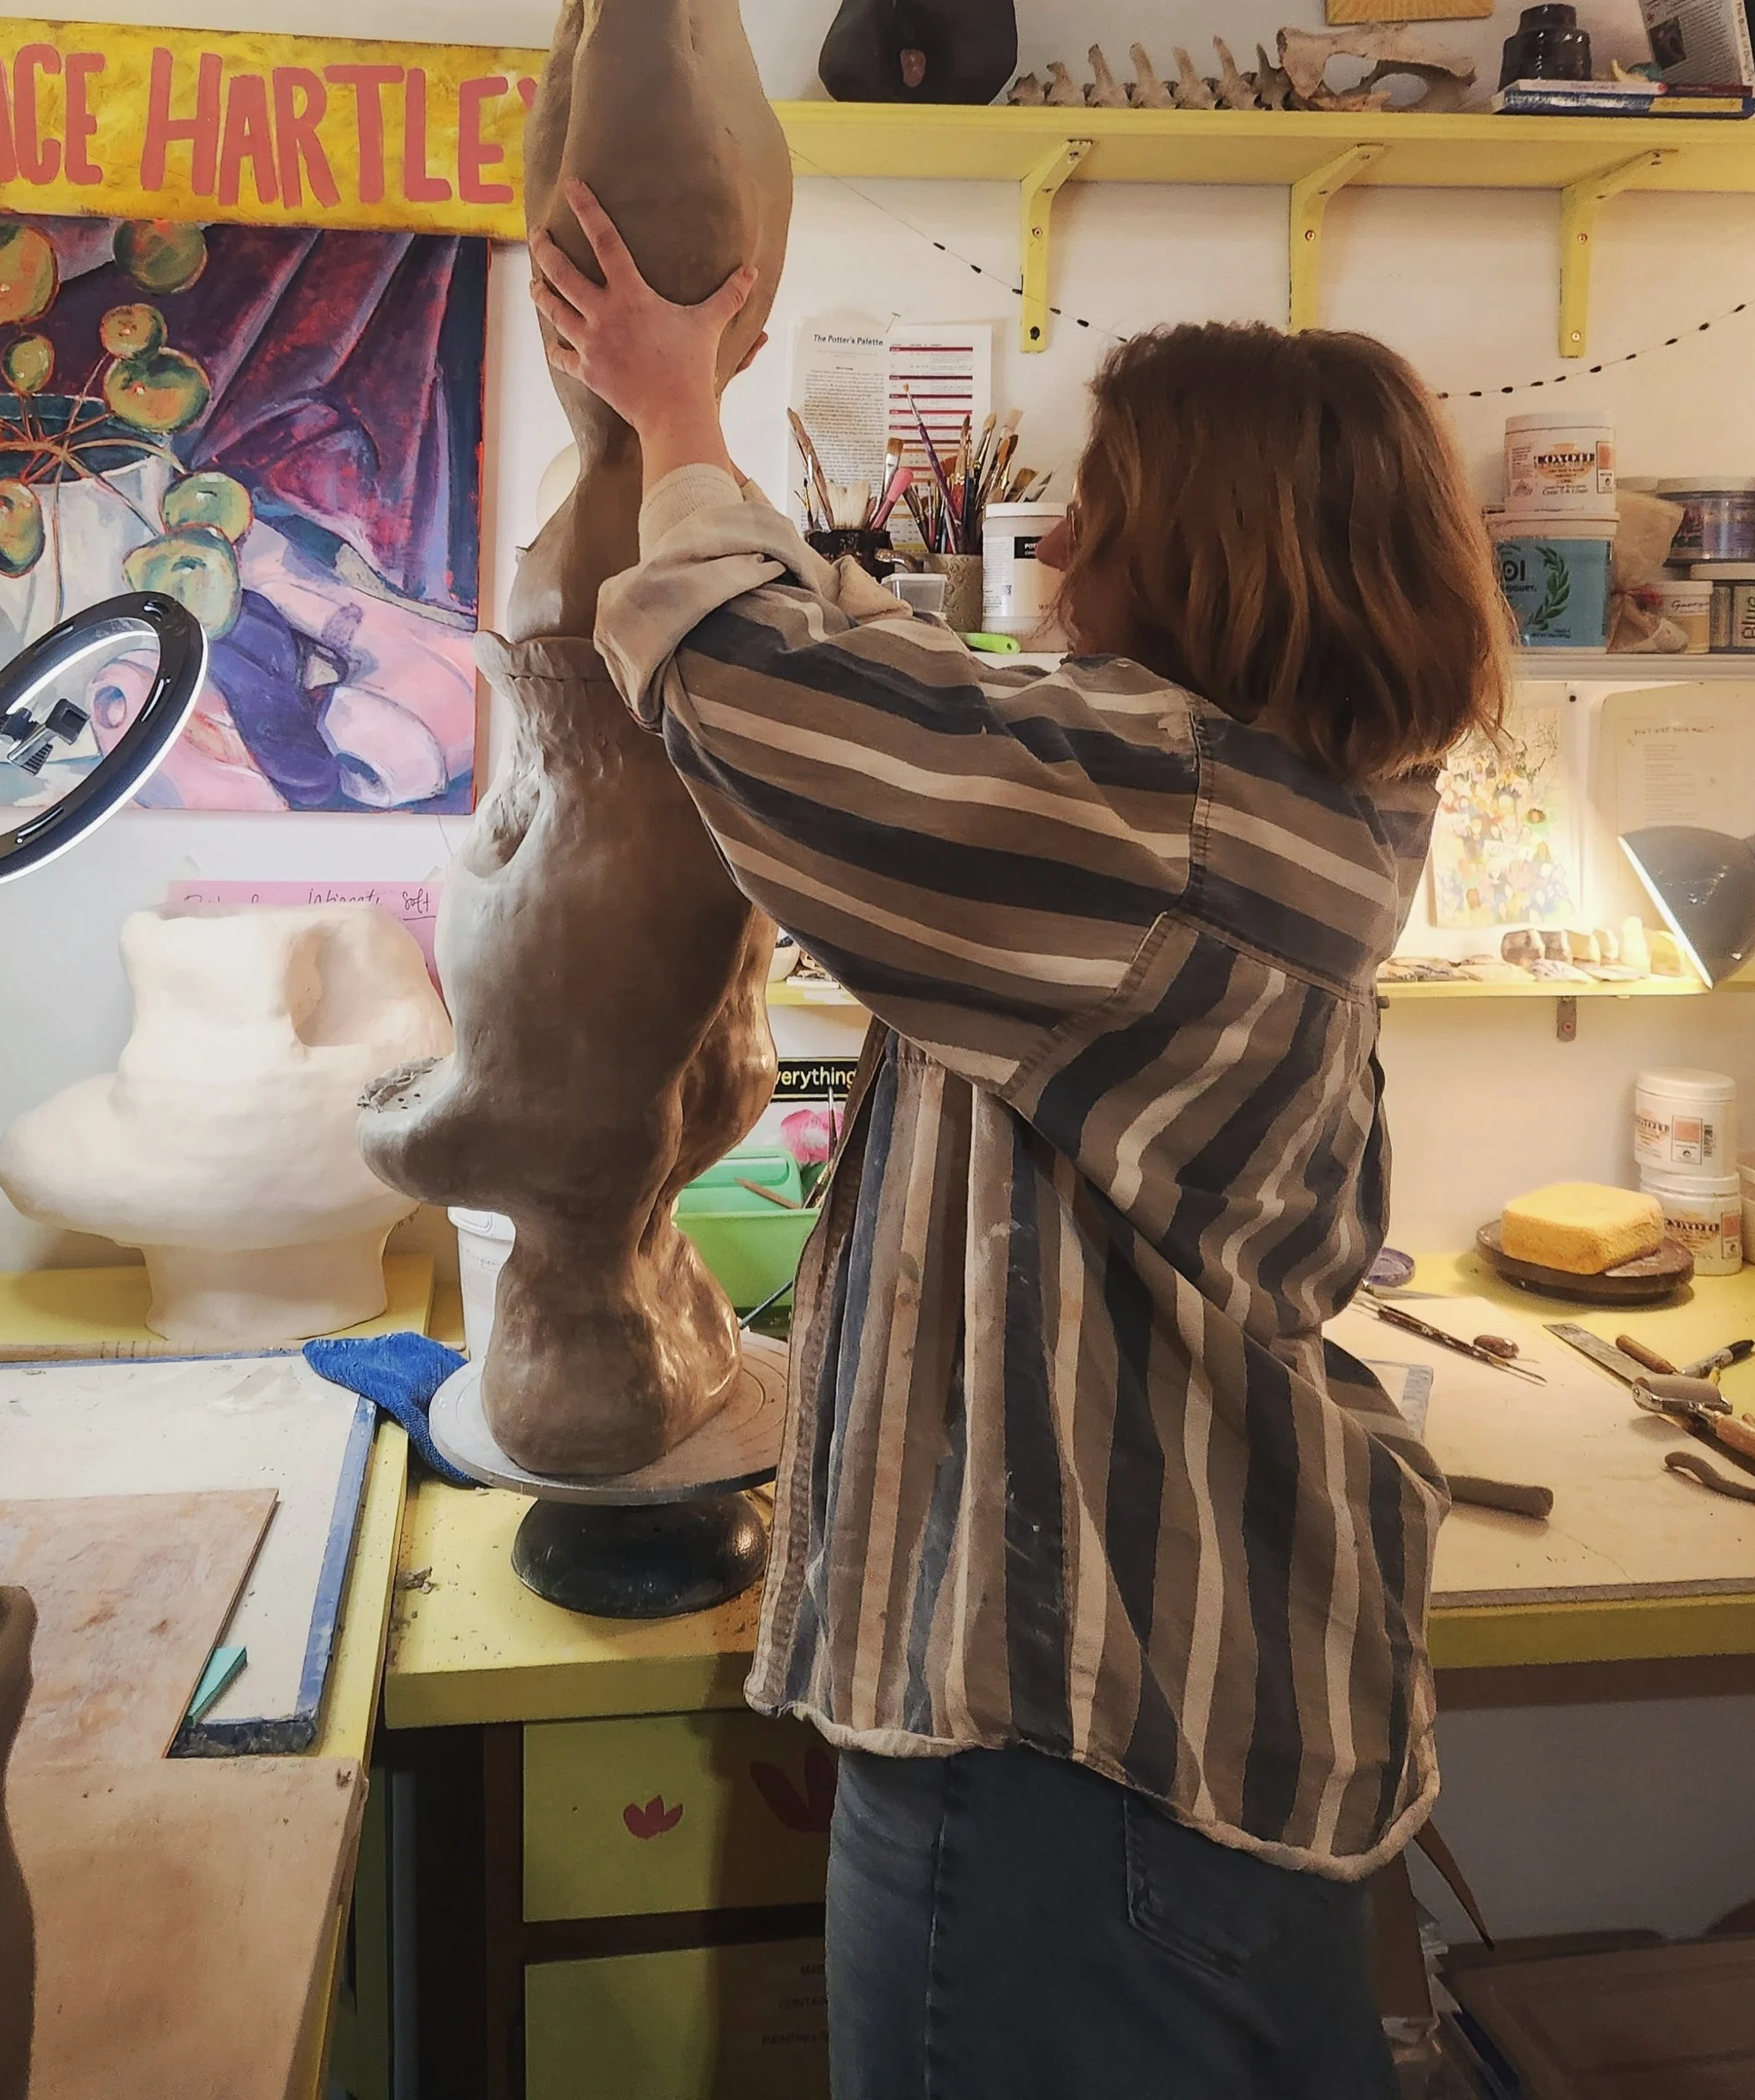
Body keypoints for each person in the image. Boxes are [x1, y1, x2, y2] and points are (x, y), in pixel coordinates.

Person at [529, 177, 1509, 2100]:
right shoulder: (1281, 792)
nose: (1058, 540)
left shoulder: (1160, 830)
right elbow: (959, 703)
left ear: (1218, 560)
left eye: (1105, 512)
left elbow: (757, 685)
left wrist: (673, 421)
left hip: (1073, 1752)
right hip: (1198, 1725)